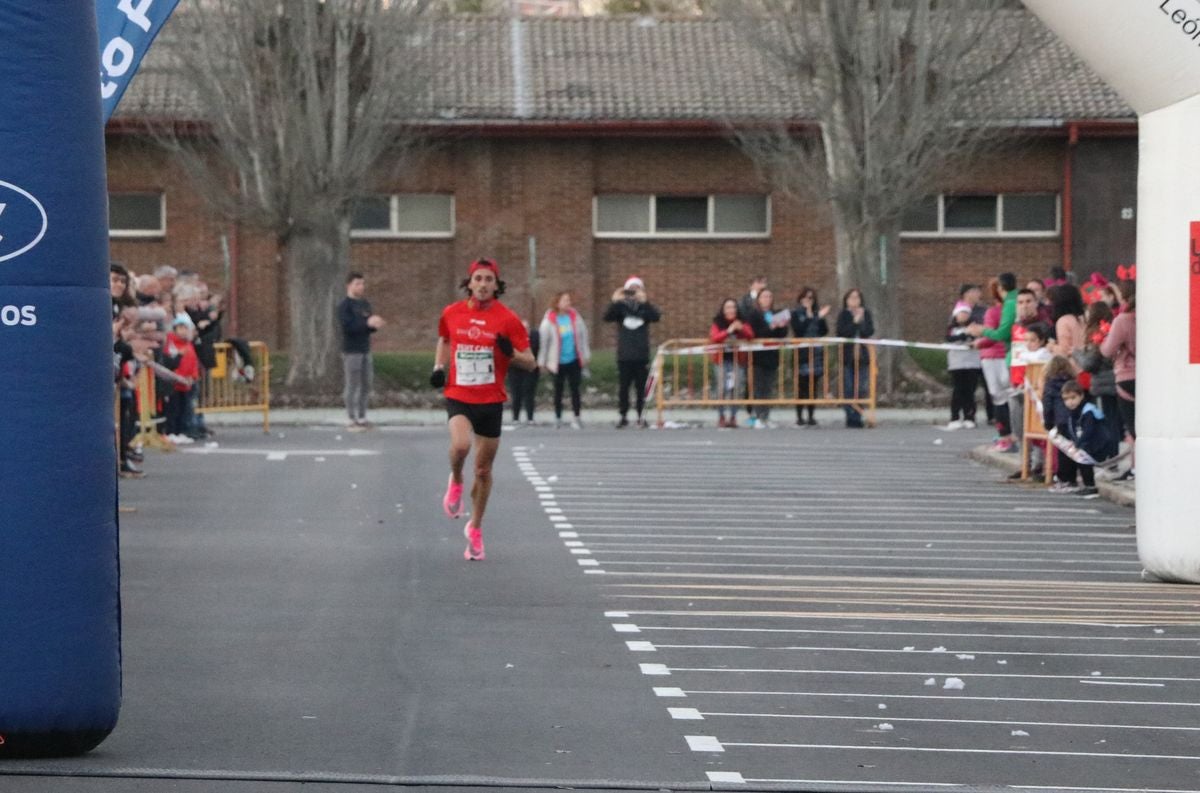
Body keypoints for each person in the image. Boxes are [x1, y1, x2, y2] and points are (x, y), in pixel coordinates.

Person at [430, 258, 535, 561]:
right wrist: (439, 367)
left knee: (484, 469)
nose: (484, 284)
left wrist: (510, 354)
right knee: (461, 446)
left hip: (490, 400)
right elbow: (444, 339)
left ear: (496, 285)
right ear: (470, 282)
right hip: (460, 394)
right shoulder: (452, 312)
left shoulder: (507, 319)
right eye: (478, 278)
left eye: (489, 279)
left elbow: (531, 362)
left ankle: (475, 529)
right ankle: (456, 480)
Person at [968, 272, 1018, 451]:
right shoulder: (1014, 303)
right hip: (1008, 356)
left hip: (994, 357)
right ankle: (1013, 435)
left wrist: (979, 335)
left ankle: (1006, 436)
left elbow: (996, 335)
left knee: (999, 398)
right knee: (1013, 397)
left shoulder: (998, 310)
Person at [603, 276, 661, 429]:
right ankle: (623, 416)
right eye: (631, 289)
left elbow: (656, 317)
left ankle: (641, 416)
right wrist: (615, 301)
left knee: (641, 388)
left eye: (637, 288)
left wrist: (645, 301)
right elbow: (607, 317)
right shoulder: (621, 308)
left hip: (641, 354)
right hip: (625, 354)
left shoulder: (644, 307)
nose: (633, 292)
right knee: (624, 387)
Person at [1055, 378, 1118, 499]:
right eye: (1066, 399)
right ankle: (1087, 484)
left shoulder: (1088, 411)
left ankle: (1091, 486)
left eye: (1073, 398)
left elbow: (1089, 430)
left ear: (1081, 396)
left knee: (1084, 461)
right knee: (1081, 461)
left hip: (1099, 443)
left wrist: (1079, 443)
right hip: (1088, 442)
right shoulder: (1074, 412)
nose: (1070, 402)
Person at [338, 272, 386, 431]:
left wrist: (374, 325)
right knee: (352, 384)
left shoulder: (365, 304)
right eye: (357, 284)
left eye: (362, 284)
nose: (361, 287)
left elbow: (367, 326)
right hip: (351, 350)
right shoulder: (345, 306)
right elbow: (348, 328)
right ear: (349, 285)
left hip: (365, 349)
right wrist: (367, 324)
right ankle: (351, 418)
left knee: (366, 384)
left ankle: (362, 416)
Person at [538, 291, 590, 429]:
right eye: (565, 300)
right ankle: (558, 417)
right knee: (558, 391)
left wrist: (585, 355)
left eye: (569, 300)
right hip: (557, 361)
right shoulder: (549, 320)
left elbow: (583, 336)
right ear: (557, 302)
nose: (568, 303)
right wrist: (542, 361)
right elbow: (544, 342)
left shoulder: (575, 317)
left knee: (575, 389)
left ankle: (577, 417)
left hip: (573, 359)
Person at [1100, 283, 1136, 481]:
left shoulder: (1122, 320)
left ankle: (1135, 467)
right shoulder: (1152, 315)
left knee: (1132, 426)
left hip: (1127, 375)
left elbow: (1107, 350)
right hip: (1151, 376)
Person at [745, 288, 789, 428]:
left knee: (768, 388)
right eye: (764, 296)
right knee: (759, 387)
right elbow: (755, 333)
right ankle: (757, 416)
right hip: (757, 356)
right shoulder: (754, 315)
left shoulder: (775, 313)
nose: (767, 299)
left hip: (772, 355)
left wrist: (781, 326)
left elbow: (782, 335)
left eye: (770, 296)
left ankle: (766, 416)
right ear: (759, 299)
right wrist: (770, 326)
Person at [709, 297, 753, 428]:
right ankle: (721, 416)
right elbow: (715, 337)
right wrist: (728, 331)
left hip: (737, 360)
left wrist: (741, 329)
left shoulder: (742, 321)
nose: (731, 310)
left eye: (733, 307)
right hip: (721, 360)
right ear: (723, 310)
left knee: (736, 388)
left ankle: (733, 416)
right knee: (721, 388)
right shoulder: (718, 323)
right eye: (728, 307)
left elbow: (751, 335)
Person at [790, 287, 830, 426]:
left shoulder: (816, 314)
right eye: (806, 298)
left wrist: (819, 317)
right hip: (802, 353)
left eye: (811, 298)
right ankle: (799, 415)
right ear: (801, 299)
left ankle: (811, 415)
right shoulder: (796, 313)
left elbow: (824, 331)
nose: (808, 301)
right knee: (802, 386)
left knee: (813, 386)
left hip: (816, 353)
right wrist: (810, 316)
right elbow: (799, 330)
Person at [836, 287, 874, 428]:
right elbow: (842, 331)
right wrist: (854, 322)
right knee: (849, 387)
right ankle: (850, 415)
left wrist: (861, 321)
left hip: (862, 355)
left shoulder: (866, 313)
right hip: (848, 356)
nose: (854, 300)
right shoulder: (844, 315)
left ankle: (858, 415)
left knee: (861, 388)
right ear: (846, 300)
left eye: (857, 297)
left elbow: (869, 330)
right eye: (851, 297)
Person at [945, 301, 981, 429]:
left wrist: (972, 334)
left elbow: (978, 339)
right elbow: (950, 339)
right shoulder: (951, 329)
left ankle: (969, 417)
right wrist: (965, 334)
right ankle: (954, 417)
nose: (964, 316)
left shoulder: (975, 327)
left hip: (972, 364)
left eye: (966, 313)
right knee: (958, 390)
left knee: (970, 391)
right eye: (961, 313)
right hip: (957, 364)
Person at [506, 319, 540, 424]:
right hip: (515, 368)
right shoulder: (511, 338)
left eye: (527, 328)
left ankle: (530, 418)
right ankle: (515, 418)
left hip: (530, 368)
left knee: (529, 393)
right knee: (516, 393)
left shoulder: (535, 336)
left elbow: (537, 351)